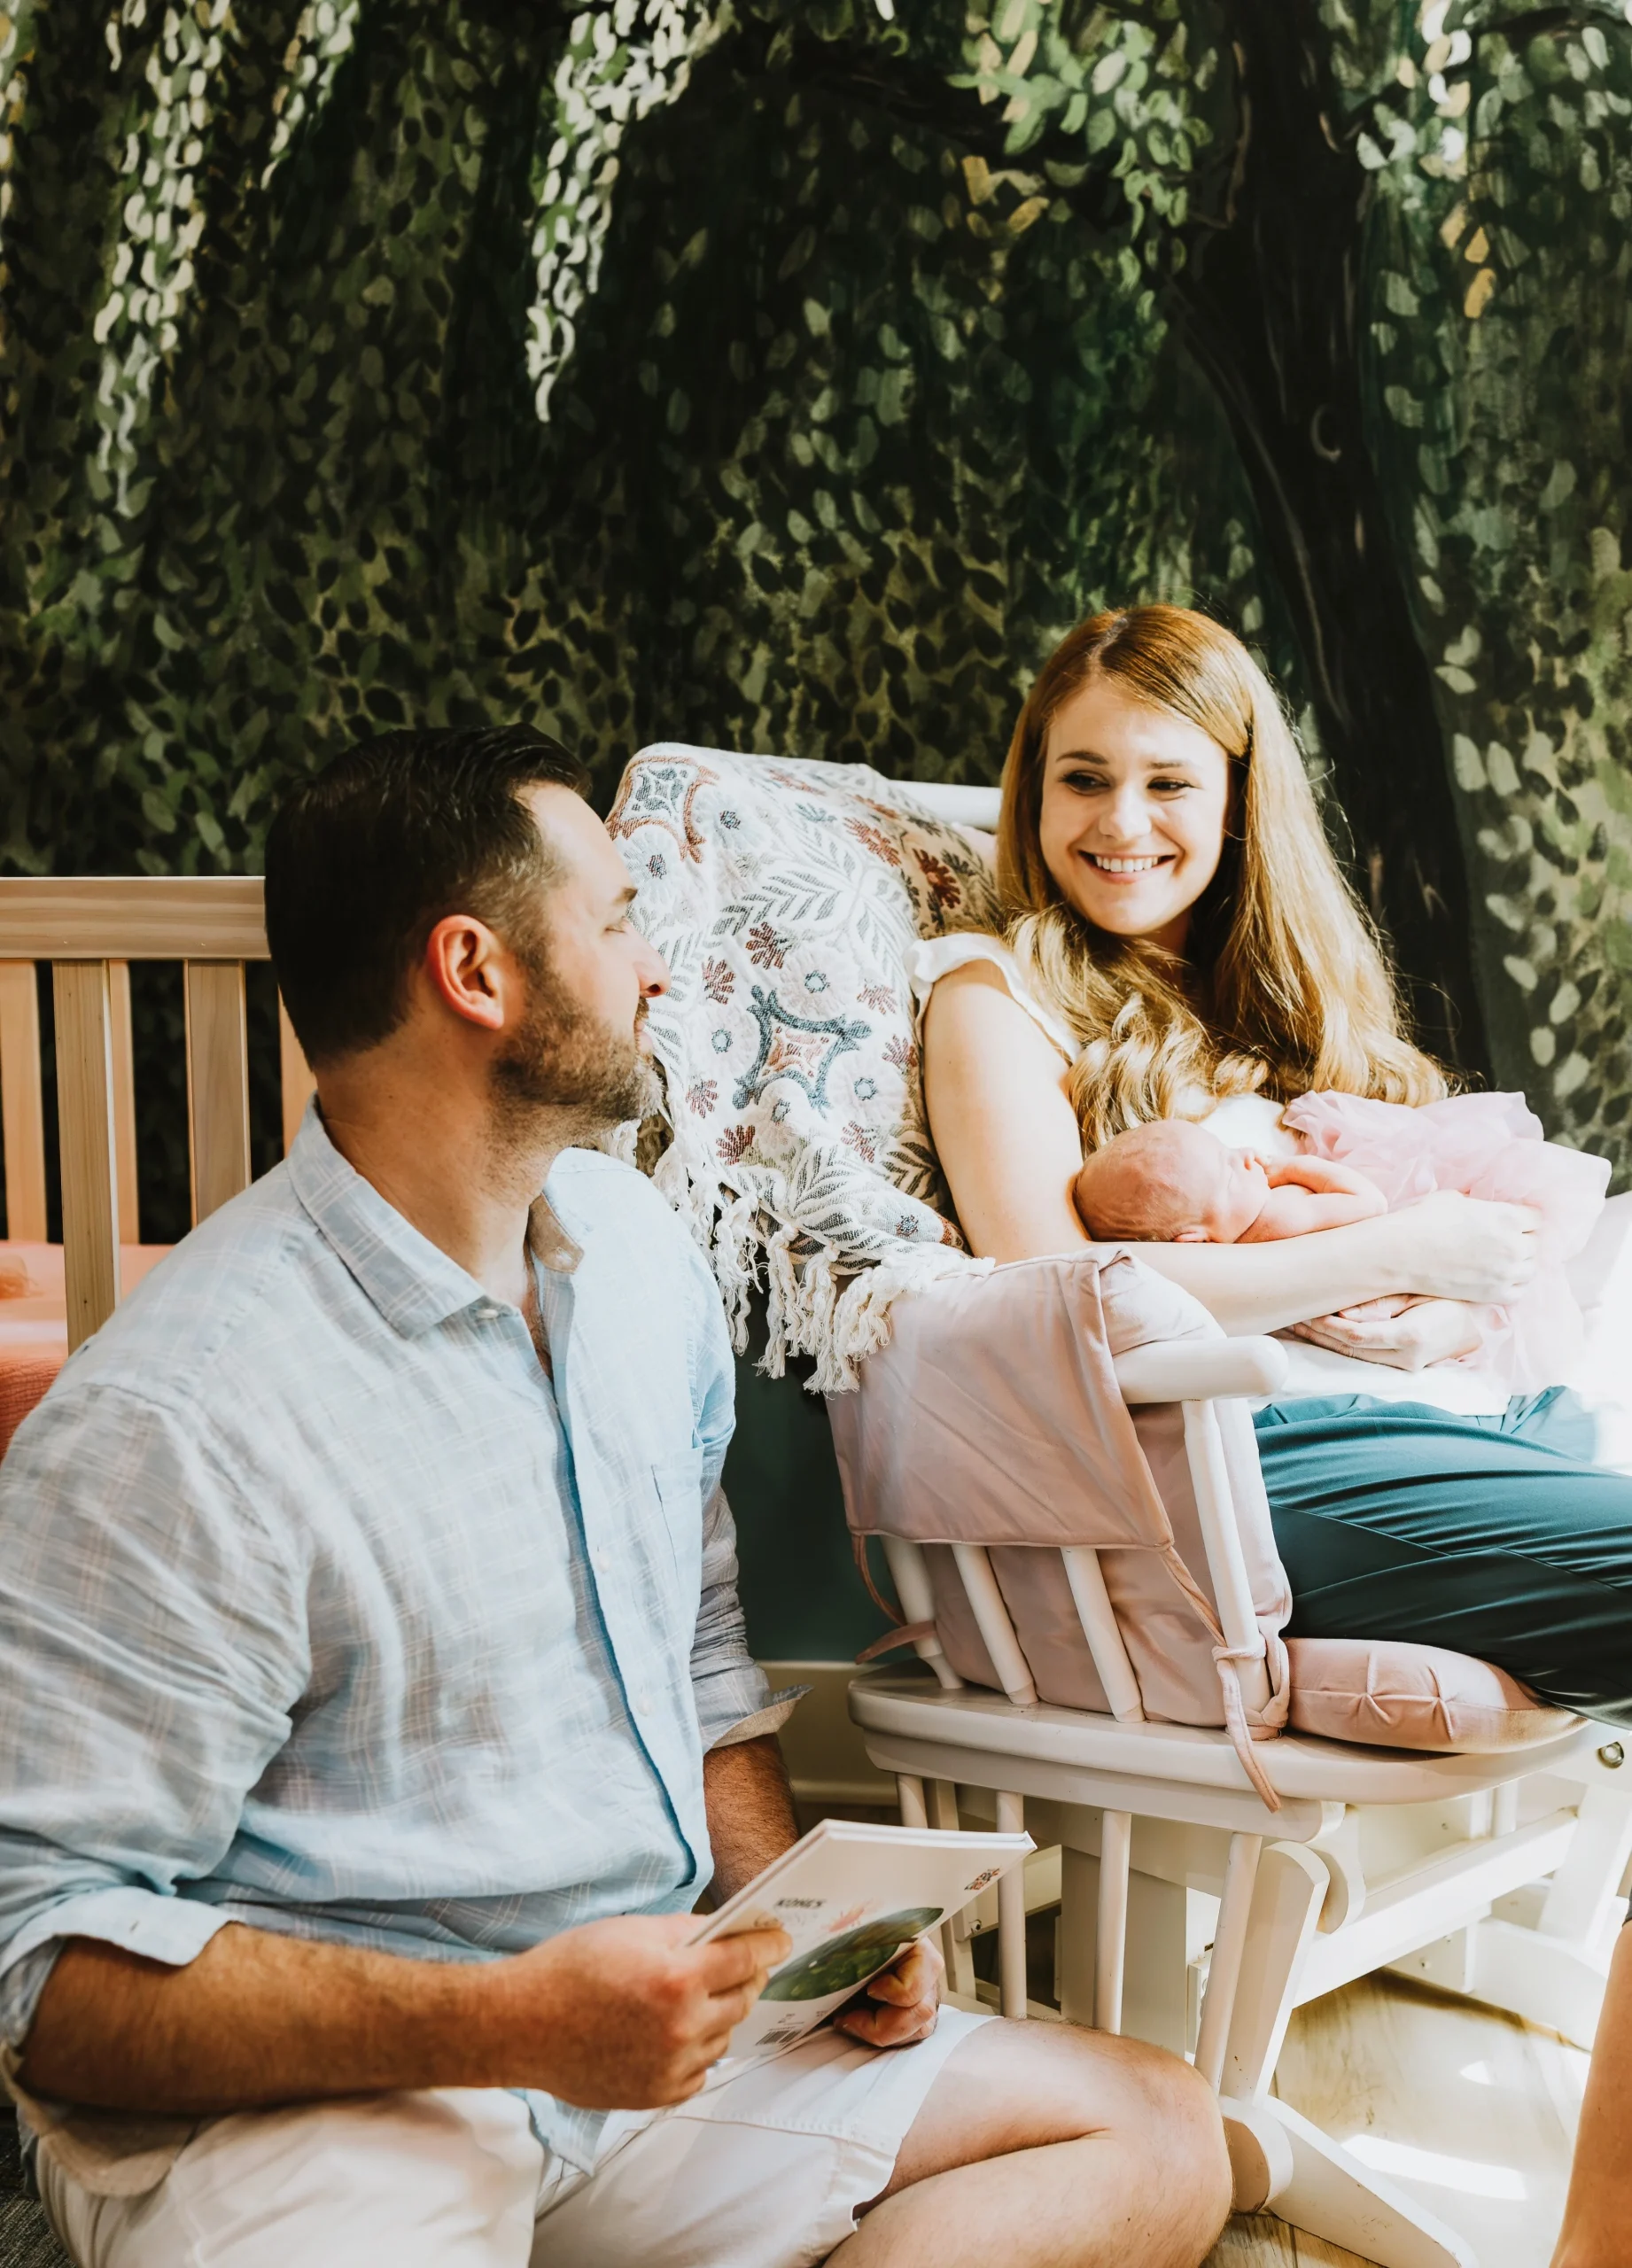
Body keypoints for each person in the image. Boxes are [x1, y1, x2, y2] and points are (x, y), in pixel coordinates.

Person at [0, 725, 1230, 2268]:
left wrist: (788, 1925)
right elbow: (43, 1988)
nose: (659, 968)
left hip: (643, 2058)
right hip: (316, 2110)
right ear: (476, 972)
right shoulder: (171, 1425)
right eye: (621, 918)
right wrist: (511, 2020)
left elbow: (703, 1665)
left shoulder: (637, 1258)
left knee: (1154, 2141)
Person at [913, 603, 1632, 1726]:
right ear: (1035, 793)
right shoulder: (998, 998)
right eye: (1084, 779)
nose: (1122, 821)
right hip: (1257, 1456)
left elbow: (1477, 1236)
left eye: (1169, 783)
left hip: (1479, 1410)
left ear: (1244, 800)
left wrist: (1444, 1306)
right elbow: (1055, 1298)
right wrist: (1393, 1250)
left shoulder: (1295, 1017)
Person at [1072, 1117, 1386, 1245]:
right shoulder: (1279, 1218)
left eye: (1228, 1149)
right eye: (1232, 1173)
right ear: (1196, 1239)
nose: (1248, 1155)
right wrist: (1294, 1168)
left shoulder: (1226, 1250)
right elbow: (1370, 1202)